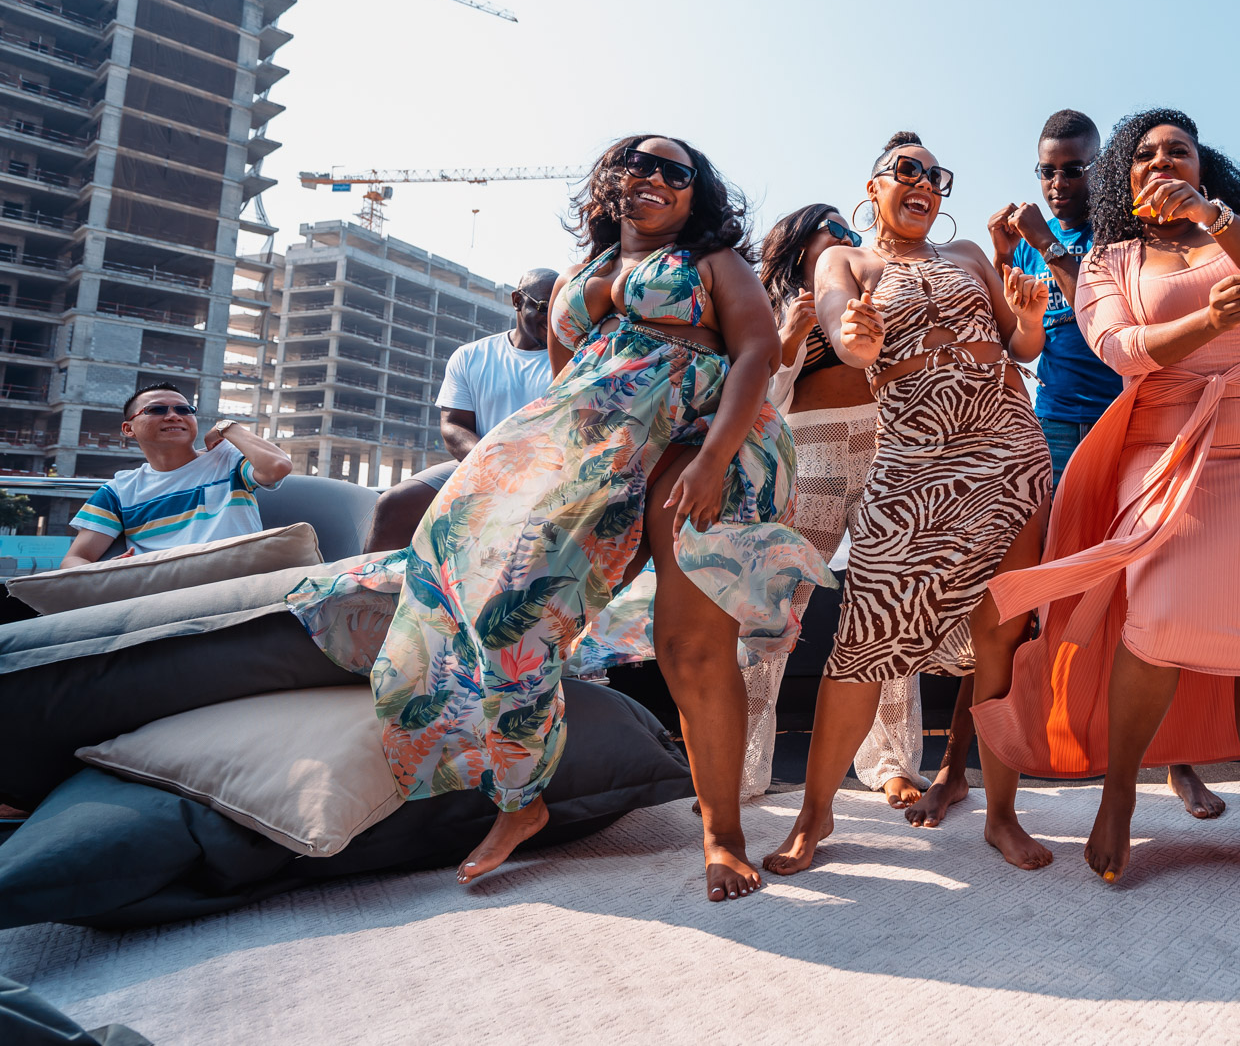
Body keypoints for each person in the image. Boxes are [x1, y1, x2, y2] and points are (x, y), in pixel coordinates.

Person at [288, 134, 830, 902]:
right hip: (598, 452)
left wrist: (712, 459)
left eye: (675, 171)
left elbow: (756, 353)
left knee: (690, 648)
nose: (654, 177)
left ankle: (723, 835)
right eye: (637, 163)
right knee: (506, 609)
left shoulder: (710, 260)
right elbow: (566, 386)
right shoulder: (580, 276)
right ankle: (521, 798)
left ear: (694, 192)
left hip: (703, 439)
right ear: (611, 180)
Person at [973, 108, 1240, 892]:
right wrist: (1208, 320)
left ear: (1201, 167)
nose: (1162, 160)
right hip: (1163, 455)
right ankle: (1118, 797)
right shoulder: (1110, 260)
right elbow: (1119, 349)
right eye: (1145, 154)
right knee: (1155, 624)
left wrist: (1212, 217)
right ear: (1126, 177)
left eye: (1178, 150)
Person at [764, 130, 1056, 875]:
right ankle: (815, 814)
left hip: (1007, 452)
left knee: (1001, 638)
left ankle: (1002, 815)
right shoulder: (847, 260)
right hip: (912, 460)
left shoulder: (968, 257)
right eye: (907, 170)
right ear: (874, 187)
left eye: (935, 175)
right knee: (863, 640)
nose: (924, 182)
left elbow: (1021, 346)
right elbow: (846, 337)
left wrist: (1027, 318)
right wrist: (857, 337)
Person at [989, 108, 1228, 824]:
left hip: (1132, 426)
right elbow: (1016, 340)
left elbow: (1103, 323)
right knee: (1035, 589)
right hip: (1053, 428)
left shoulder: (1129, 233)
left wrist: (1041, 240)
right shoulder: (1028, 244)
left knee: (1156, 588)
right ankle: (989, 758)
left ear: (1104, 169)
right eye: (1047, 171)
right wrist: (1006, 259)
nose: (1058, 183)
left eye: (1074, 169)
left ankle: (1178, 758)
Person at [747, 204, 927, 808]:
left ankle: (892, 762)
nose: (851, 239)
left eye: (853, 232)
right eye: (836, 230)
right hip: (812, 450)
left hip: (886, 443)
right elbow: (759, 397)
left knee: (888, 604)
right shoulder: (771, 304)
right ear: (799, 242)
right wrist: (790, 337)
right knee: (774, 607)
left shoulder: (873, 287)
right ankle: (742, 764)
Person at [363, 269, 559, 552]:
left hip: (548, 476)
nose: (553, 317)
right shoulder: (470, 356)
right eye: (544, 307)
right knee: (393, 504)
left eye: (560, 308)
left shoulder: (573, 360)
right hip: (477, 465)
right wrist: (495, 467)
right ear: (517, 301)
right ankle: (367, 581)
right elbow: (453, 426)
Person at [64, 384, 293, 565]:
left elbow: (278, 466)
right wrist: (109, 571)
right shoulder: (120, 490)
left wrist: (228, 427)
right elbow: (75, 559)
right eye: (157, 410)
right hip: (163, 590)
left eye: (184, 410)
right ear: (128, 429)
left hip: (238, 579)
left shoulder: (227, 459)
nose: (174, 416)